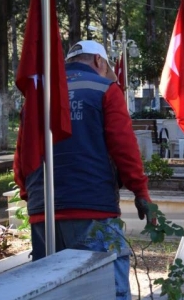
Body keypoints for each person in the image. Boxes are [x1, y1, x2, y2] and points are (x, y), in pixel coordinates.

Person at [13, 40, 152, 300]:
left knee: (54, 293)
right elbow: (124, 147)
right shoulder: (105, 89)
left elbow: (22, 154)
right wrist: (140, 191)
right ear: (99, 61)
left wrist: (30, 194)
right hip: (92, 209)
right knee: (106, 289)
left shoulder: (37, 94)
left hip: (43, 212)